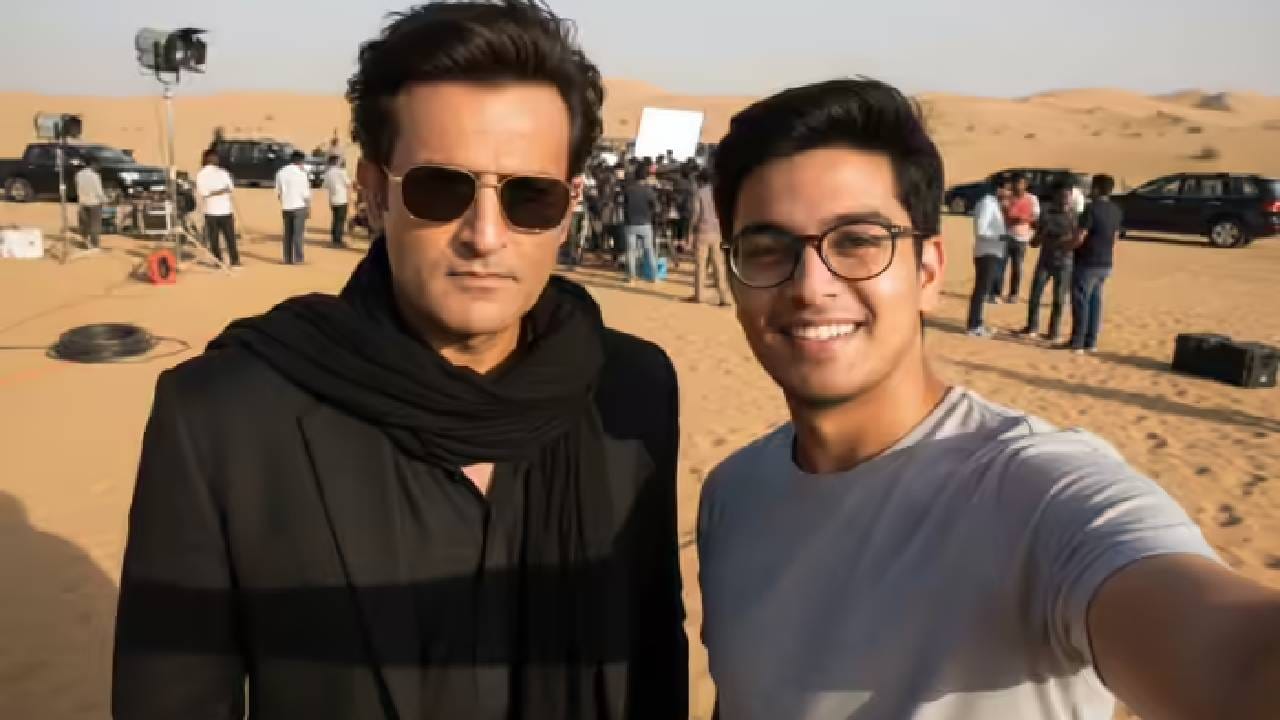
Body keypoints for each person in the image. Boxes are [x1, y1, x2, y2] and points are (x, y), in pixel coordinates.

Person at [113, 3, 687, 719]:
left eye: (530, 196)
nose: (485, 235)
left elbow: (654, 653)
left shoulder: (633, 392)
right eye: (440, 189)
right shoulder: (222, 418)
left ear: (570, 205)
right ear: (374, 189)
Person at [697, 77, 1280, 720]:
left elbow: (1235, 659)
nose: (811, 286)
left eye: (858, 241)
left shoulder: (1037, 495)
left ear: (928, 272)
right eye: (768, 249)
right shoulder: (733, 494)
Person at [1066, 173, 1122, 354]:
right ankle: (1091, 342)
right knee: (1095, 302)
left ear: (1096, 189)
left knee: (1081, 301)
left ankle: (1078, 341)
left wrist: (1067, 247)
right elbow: (1115, 237)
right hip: (1105, 262)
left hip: (1087, 261)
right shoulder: (1116, 210)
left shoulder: (1090, 209)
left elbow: (1080, 236)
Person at [1016, 181, 1077, 341]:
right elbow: (1035, 241)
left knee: (1059, 299)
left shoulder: (1075, 217)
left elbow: (1077, 239)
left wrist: (1062, 240)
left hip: (1064, 262)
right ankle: (1032, 327)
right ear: (1056, 196)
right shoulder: (1047, 214)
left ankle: (1053, 332)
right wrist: (1042, 234)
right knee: (1035, 294)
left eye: (1068, 196)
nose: (1065, 199)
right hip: (1046, 260)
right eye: (1062, 196)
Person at [682, 169, 730, 306]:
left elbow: (695, 214)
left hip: (702, 232)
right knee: (719, 265)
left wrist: (690, 232)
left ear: (701, 180)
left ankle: (699, 296)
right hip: (717, 232)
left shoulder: (699, 193)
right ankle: (724, 297)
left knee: (700, 265)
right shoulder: (719, 193)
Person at [966, 180, 1007, 336]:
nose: (1009, 193)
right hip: (987, 252)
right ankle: (974, 326)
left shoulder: (994, 203)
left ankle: (978, 323)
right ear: (999, 189)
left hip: (992, 251)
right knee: (981, 290)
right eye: (1007, 189)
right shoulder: (987, 203)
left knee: (984, 290)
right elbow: (980, 230)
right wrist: (1001, 237)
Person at [995, 172, 1039, 303]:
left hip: (1022, 238)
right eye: (1015, 183)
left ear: (1026, 185)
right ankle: (996, 292)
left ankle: (1013, 294)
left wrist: (1021, 219)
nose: (1017, 186)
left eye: (1020, 183)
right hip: (1005, 235)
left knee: (1017, 267)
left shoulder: (1032, 199)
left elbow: (1035, 217)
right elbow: (1002, 214)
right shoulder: (1006, 197)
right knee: (1000, 266)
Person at [195, 149, 241, 267]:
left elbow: (230, 188)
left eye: (215, 157)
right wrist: (220, 191)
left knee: (230, 238)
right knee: (214, 239)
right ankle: (218, 261)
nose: (215, 159)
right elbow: (203, 193)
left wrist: (215, 192)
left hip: (225, 210)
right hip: (211, 211)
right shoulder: (201, 174)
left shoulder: (223, 172)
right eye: (212, 157)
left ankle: (234, 260)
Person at [622, 163, 660, 282]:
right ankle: (654, 277)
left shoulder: (628, 190)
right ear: (646, 176)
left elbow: (624, 206)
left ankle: (631, 277)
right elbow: (656, 207)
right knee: (649, 250)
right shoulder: (648, 190)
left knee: (631, 251)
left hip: (630, 224)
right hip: (645, 223)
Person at [275, 150, 311, 264]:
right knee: (298, 235)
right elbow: (306, 194)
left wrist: (284, 201)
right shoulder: (302, 174)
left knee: (287, 235)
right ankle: (298, 258)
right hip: (299, 206)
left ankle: (287, 258)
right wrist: (308, 208)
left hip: (287, 206)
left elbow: (278, 193)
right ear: (301, 161)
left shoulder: (281, 172)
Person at [73, 156, 106, 250]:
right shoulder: (95, 176)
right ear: (93, 164)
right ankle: (94, 245)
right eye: (98, 165)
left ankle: (85, 243)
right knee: (95, 226)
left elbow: (78, 189)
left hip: (82, 203)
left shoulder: (78, 175)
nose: (99, 167)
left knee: (84, 225)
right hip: (94, 203)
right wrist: (105, 200)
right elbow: (99, 191)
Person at [323, 156, 353, 248]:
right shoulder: (341, 172)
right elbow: (348, 183)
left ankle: (334, 239)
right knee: (340, 220)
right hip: (342, 199)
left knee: (335, 220)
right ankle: (337, 241)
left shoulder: (327, 173)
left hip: (332, 199)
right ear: (336, 162)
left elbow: (325, 186)